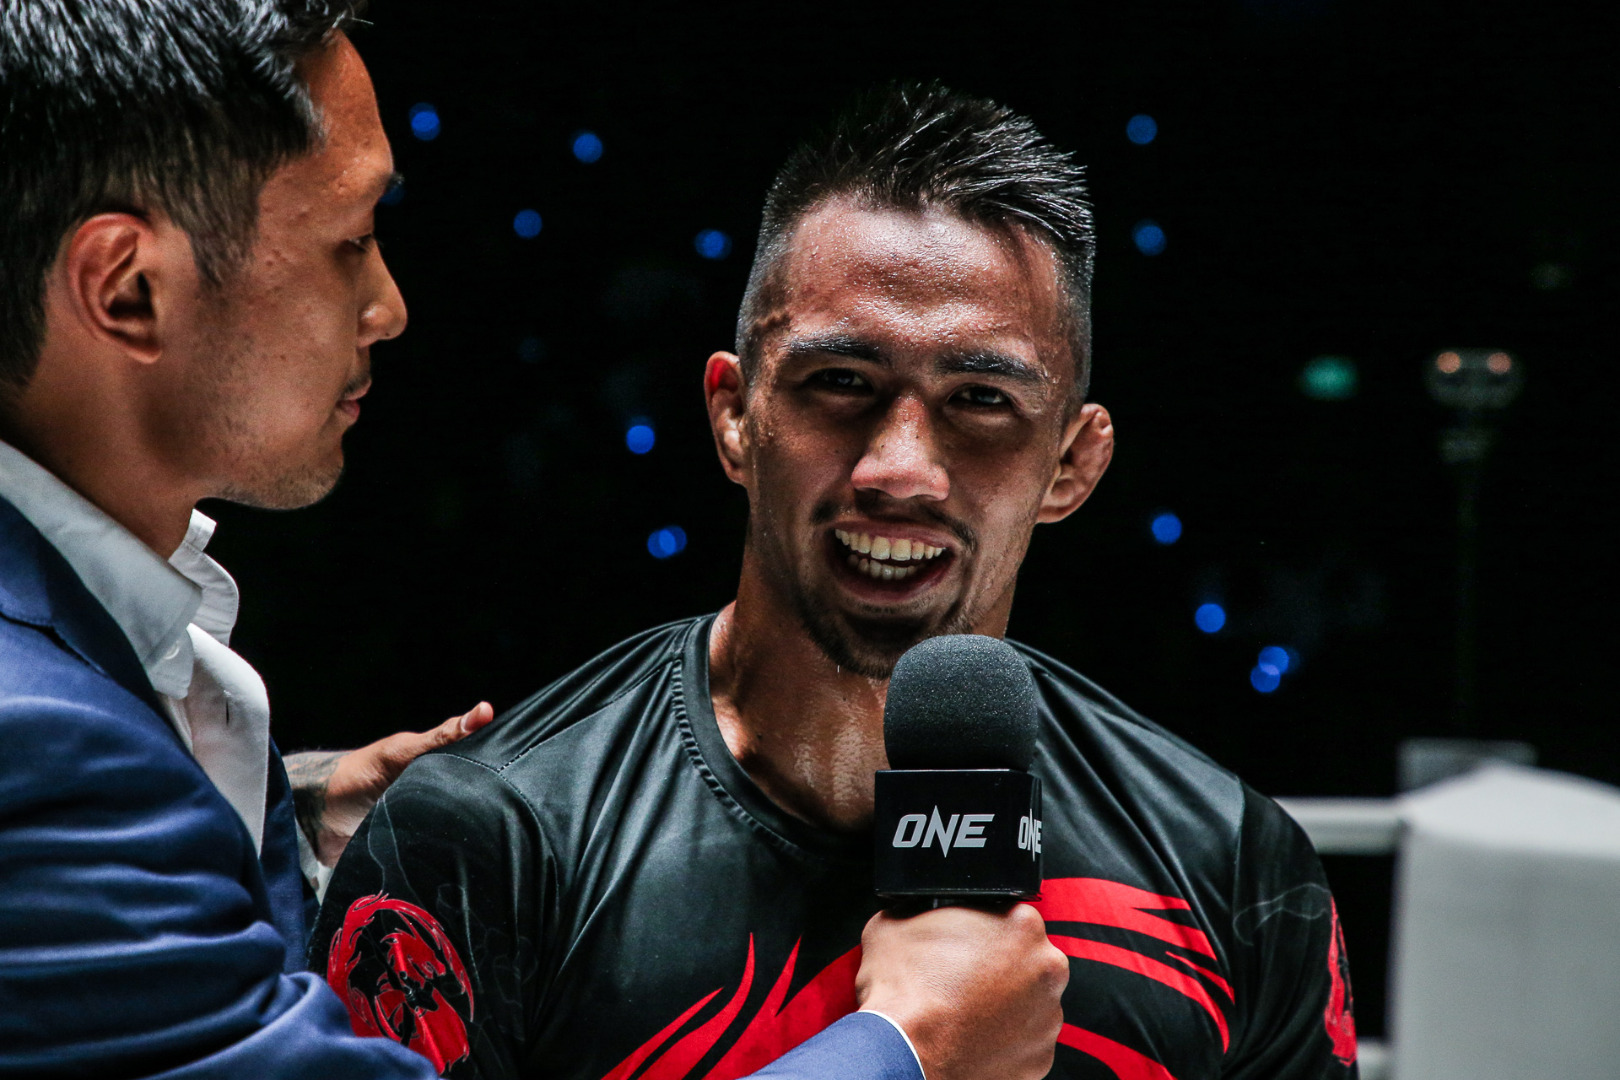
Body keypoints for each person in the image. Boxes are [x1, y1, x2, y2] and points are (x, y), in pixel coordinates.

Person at [0, 4, 1067, 1078]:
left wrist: (279, 798)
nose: (388, 305)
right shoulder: (43, 753)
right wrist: (908, 1050)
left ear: (1075, 457)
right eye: (351, 240)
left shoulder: (92, 711)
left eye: (980, 399)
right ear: (128, 287)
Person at [315, 83, 1362, 1080]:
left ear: (1073, 464)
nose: (900, 468)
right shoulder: (491, 839)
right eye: (842, 383)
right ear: (735, 417)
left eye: (981, 399)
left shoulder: (1231, 868)